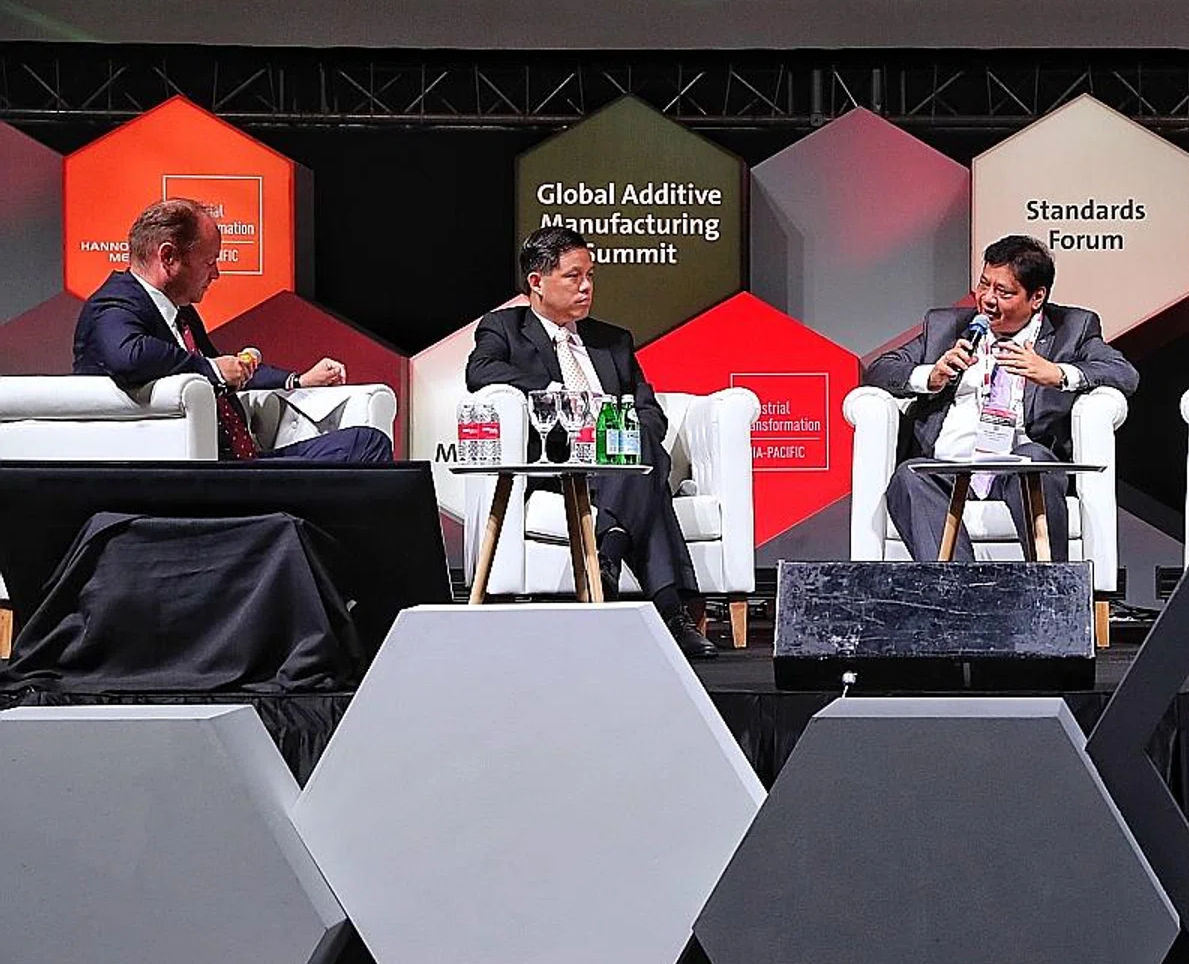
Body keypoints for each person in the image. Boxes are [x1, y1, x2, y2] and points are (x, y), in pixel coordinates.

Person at [465, 227, 716, 660]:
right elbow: (480, 371)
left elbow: (649, 409)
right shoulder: (505, 328)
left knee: (640, 442)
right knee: (649, 476)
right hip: (560, 464)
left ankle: (610, 551)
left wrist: (618, 429)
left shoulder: (613, 340)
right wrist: (554, 392)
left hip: (619, 457)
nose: (586, 287)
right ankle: (672, 613)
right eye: (573, 276)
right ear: (537, 282)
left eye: (590, 276)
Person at [864, 234, 1139, 563]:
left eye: (1004, 292)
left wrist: (1056, 373)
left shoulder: (1072, 328)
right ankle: (961, 589)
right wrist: (931, 377)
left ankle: (1047, 588)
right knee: (910, 475)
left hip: (1016, 468)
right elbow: (880, 370)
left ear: (1036, 297)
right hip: (949, 469)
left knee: (1034, 460)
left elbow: (1124, 373)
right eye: (984, 285)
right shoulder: (946, 327)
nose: (987, 300)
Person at [71, 198, 392, 463]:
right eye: (209, 261)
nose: (217, 273)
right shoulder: (114, 303)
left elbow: (228, 369)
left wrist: (297, 381)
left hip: (239, 464)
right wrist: (211, 369)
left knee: (365, 441)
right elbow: (129, 357)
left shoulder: (181, 312)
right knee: (365, 447)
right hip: (202, 474)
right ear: (168, 257)